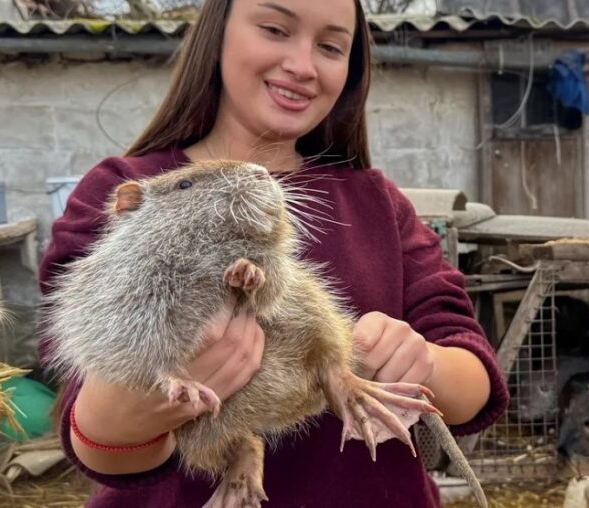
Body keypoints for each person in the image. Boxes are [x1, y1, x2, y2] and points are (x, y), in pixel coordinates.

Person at [36, 0, 509, 505]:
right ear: (218, 34)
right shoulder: (123, 192)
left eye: (330, 46)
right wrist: (154, 392)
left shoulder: (377, 204)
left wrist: (423, 361)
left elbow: (475, 380)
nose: (302, 66)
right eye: (274, 29)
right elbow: (95, 437)